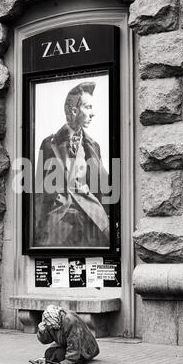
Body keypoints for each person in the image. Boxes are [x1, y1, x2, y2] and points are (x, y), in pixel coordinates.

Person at [34, 81, 110, 248]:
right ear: (74, 111)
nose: (93, 113)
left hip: (92, 218)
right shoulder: (48, 144)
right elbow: (39, 191)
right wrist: (38, 227)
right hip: (59, 220)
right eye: (88, 107)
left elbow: (103, 186)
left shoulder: (93, 146)